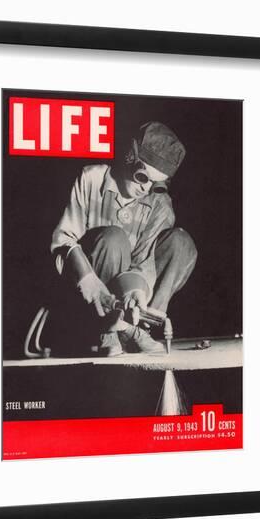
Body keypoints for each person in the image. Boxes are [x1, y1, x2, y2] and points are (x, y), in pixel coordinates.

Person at [51, 121, 197, 356]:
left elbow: (144, 261)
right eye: (143, 177)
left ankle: (135, 325)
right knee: (114, 237)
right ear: (130, 158)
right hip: (85, 293)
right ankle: (106, 328)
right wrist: (90, 283)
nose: (146, 189)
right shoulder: (91, 178)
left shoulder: (160, 203)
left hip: (130, 297)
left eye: (156, 184)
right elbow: (63, 240)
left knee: (181, 243)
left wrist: (136, 293)